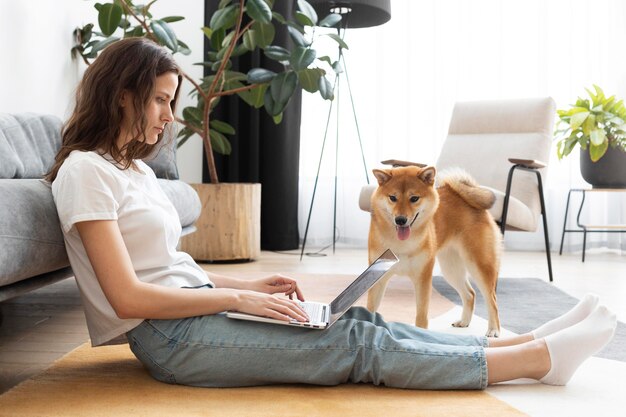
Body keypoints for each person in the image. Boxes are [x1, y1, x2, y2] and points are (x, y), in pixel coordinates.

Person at [46, 37, 617, 390]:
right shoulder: (84, 174)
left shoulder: (137, 172)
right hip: (169, 340)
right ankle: (539, 359)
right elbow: (128, 298)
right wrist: (239, 299)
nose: (170, 117)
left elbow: (166, 265)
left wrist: (248, 284)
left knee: (357, 321)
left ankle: (514, 343)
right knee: (352, 348)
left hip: (192, 310)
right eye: (162, 101)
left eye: (172, 102)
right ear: (122, 94)